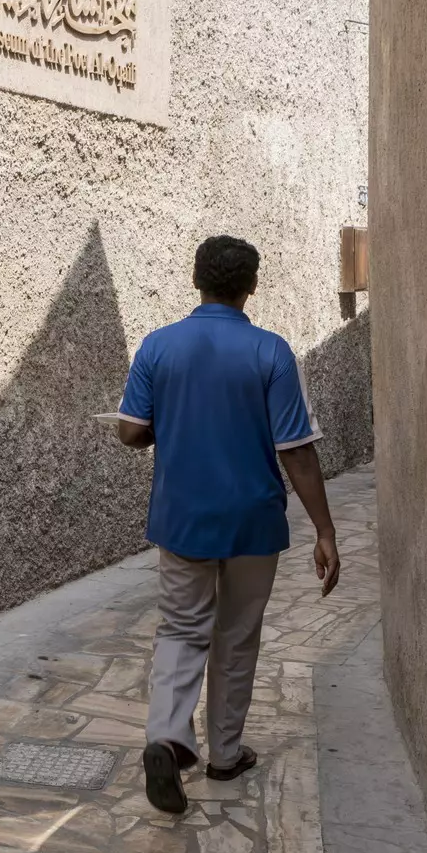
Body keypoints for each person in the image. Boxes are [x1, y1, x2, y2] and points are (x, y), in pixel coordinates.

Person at [111, 234, 339, 815]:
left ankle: (166, 736)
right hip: (252, 522)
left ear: (196, 280)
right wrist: (324, 531)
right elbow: (297, 451)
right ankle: (225, 754)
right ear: (251, 287)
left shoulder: (158, 347)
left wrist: (174, 419)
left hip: (182, 517)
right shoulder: (271, 353)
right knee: (236, 637)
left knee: (182, 630)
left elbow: (132, 432)